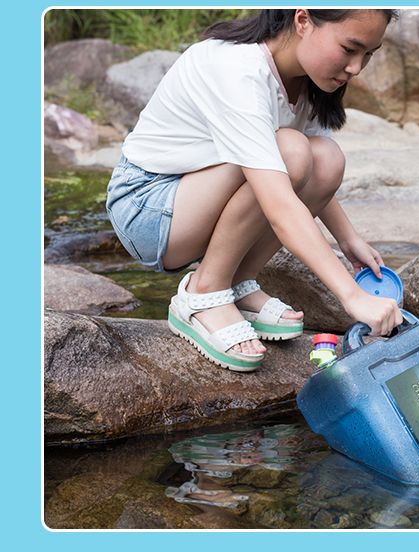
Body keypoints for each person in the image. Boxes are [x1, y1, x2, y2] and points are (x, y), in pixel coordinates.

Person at [106, 9, 403, 372]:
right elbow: (279, 202)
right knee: (291, 151)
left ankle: (236, 282)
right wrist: (351, 296)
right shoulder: (238, 68)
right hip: (149, 207)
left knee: (327, 158)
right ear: (303, 20)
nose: (356, 68)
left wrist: (348, 239)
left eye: (368, 54)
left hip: (196, 201)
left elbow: (312, 175)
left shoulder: (307, 78)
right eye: (349, 49)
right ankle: (204, 292)